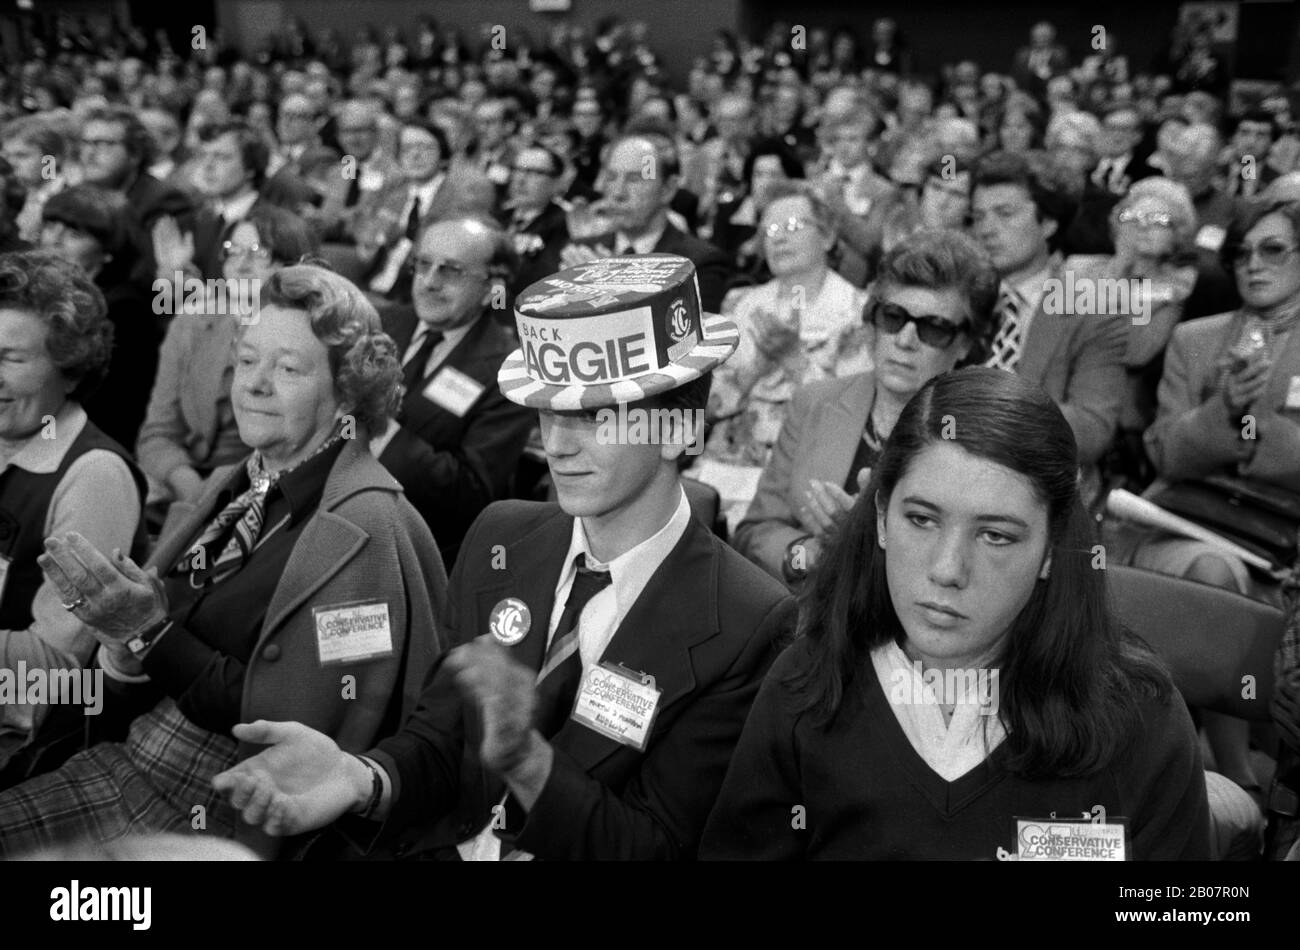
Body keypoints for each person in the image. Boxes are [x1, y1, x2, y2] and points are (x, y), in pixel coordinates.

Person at [212, 254, 796, 860]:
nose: (557, 444)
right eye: (549, 411)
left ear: (678, 429)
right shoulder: (502, 537)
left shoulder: (751, 621)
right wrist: (362, 779)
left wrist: (526, 761)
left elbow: (654, 849)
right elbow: (440, 740)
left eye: (596, 416)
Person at [0, 265, 446, 858]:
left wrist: (148, 634)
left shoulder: (368, 526)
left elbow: (292, 725)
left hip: (213, 812)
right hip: (122, 755)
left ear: (349, 388)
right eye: (247, 360)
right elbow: (137, 669)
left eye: (287, 368)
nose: (254, 385)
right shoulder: (237, 483)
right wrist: (125, 646)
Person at [701, 367, 1211, 860]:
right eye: (921, 519)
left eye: (995, 536)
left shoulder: (1143, 720)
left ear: (1051, 550)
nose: (947, 570)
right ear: (881, 518)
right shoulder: (804, 686)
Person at [736, 229, 998, 584]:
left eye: (933, 328)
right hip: (805, 615)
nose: (905, 340)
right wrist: (807, 555)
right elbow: (756, 530)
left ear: (965, 343)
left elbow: (978, 569)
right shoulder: (815, 402)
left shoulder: (985, 437)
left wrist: (867, 543)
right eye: (893, 317)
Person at [0, 251, 147, 780]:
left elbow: (55, 669)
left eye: (11, 359)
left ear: (69, 369)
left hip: (32, 744)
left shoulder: (95, 475)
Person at [699, 185, 872, 526]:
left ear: (828, 237)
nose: (778, 239)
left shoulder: (858, 312)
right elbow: (707, 407)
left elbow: (850, 418)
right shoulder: (741, 303)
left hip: (806, 473)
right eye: (770, 231)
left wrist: (794, 360)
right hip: (727, 469)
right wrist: (757, 367)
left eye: (793, 227)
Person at [371, 215, 534, 568]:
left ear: (494, 288)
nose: (429, 282)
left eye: (451, 271)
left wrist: (379, 429)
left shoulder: (511, 372)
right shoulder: (377, 325)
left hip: (414, 552)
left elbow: (470, 493)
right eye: (423, 265)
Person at [137, 205, 318, 510]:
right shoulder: (191, 322)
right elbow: (158, 433)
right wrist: (191, 488)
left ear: (294, 265)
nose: (241, 265)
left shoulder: (310, 337)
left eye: (259, 253)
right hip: (186, 484)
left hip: (266, 492)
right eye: (233, 251)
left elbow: (300, 446)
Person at [969, 152, 1126, 488]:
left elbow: (1093, 429)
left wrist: (993, 410)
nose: (986, 229)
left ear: (1049, 223)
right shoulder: (960, 296)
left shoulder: (1091, 307)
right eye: (978, 217)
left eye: (1005, 214)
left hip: (1039, 484)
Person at [39, 185, 158, 452]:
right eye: (50, 227)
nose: (53, 240)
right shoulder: (50, 297)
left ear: (109, 249)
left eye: (73, 233)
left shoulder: (124, 311)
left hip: (92, 446)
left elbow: (109, 408)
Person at [562, 133, 730, 313]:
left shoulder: (696, 264)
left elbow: (683, 336)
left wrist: (610, 291)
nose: (618, 193)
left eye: (635, 179)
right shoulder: (580, 253)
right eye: (611, 177)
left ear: (668, 189)